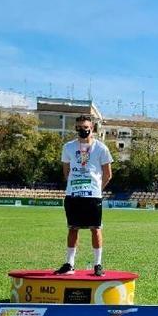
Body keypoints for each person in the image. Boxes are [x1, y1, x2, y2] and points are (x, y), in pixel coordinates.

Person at [54, 115, 113, 276]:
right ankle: (69, 264)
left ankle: (98, 265)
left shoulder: (101, 148)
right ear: (75, 128)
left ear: (92, 127)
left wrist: (97, 190)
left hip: (93, 196)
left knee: (96, 229)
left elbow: (108, 174)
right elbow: (66, 171)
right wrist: (75, 184)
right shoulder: (68, 147)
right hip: (73, 195)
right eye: (79, 127)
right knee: (73, 228)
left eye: (85, 127)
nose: (82, 130)